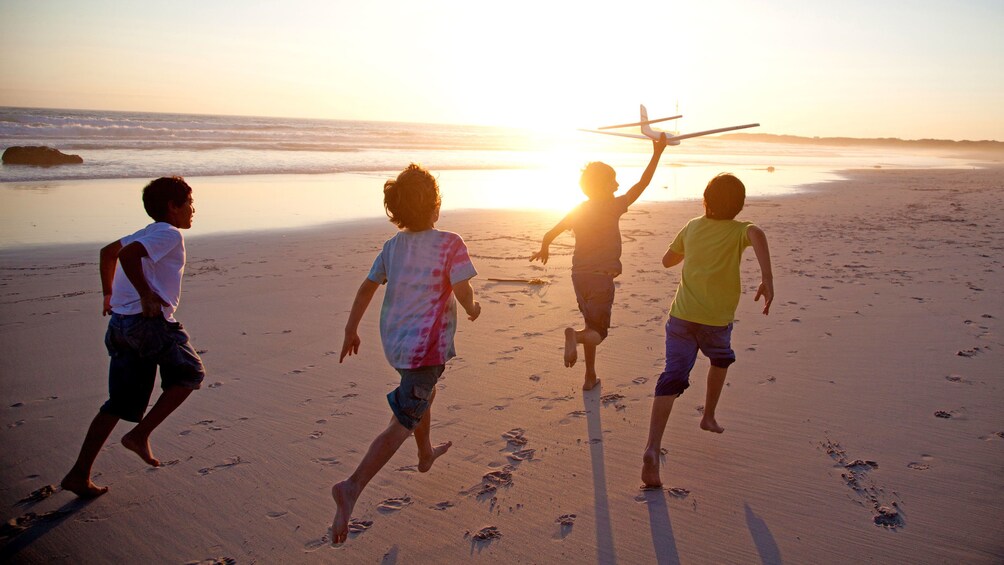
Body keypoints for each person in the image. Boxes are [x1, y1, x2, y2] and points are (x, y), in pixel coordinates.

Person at [332, 163, 481, 544]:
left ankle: (426, 452)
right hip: (424, 348)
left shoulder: (392, 247)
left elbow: (367, 288)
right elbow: (463, 289)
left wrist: (351, 329)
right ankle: (351, 486)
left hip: (396, 344)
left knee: (421, 394)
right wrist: (472, 307)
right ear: (435, 206)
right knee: (405, 413)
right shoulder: (450, 243)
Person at [61, 176, 205, 498]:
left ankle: (78, 473)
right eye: (190, 204)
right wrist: (145, 295)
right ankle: (140, 435)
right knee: (190, 373)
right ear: (173, 206)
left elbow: (108, 252)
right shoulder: (168, 233)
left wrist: (109, 294)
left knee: (119, 402)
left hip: (121, 326)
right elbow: (124, 257)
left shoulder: (147, 231)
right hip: (147, 324)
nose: (193, 211)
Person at [641, 172, 774, 488]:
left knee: (672, 376)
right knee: (721, 359)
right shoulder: (740, 230)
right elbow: (757, 233)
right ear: (740, 206)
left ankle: (652, 447)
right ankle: (708, 415)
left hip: (682, 317)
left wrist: (688, 249)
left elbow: (666, 262)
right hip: (715, 321)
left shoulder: (691, 226)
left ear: (705, 200)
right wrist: (768, 277)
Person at [531, 134, 667, 390]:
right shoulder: (613, 206)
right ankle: (574, 336)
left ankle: (590, 376)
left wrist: (545, 248)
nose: (617, 185)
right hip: (601, 278)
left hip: (578, 276)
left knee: (589, 324)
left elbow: (550, 233)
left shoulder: (579, 209)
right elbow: (643, 183)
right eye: (613, 181)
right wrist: (657, 153)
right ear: (603, 186)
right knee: (597, 333)